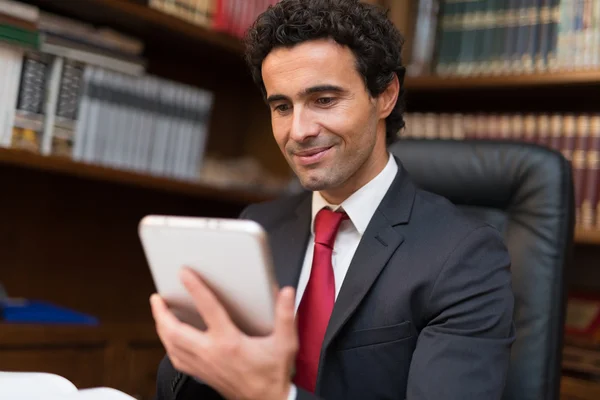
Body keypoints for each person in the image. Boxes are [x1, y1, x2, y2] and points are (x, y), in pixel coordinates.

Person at [151, 0, 516, 399]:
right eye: (282, 107)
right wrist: (191, 351)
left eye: (324, 100)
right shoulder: (257, 228)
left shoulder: (465, 257)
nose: (299, 131)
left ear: (386, 95)